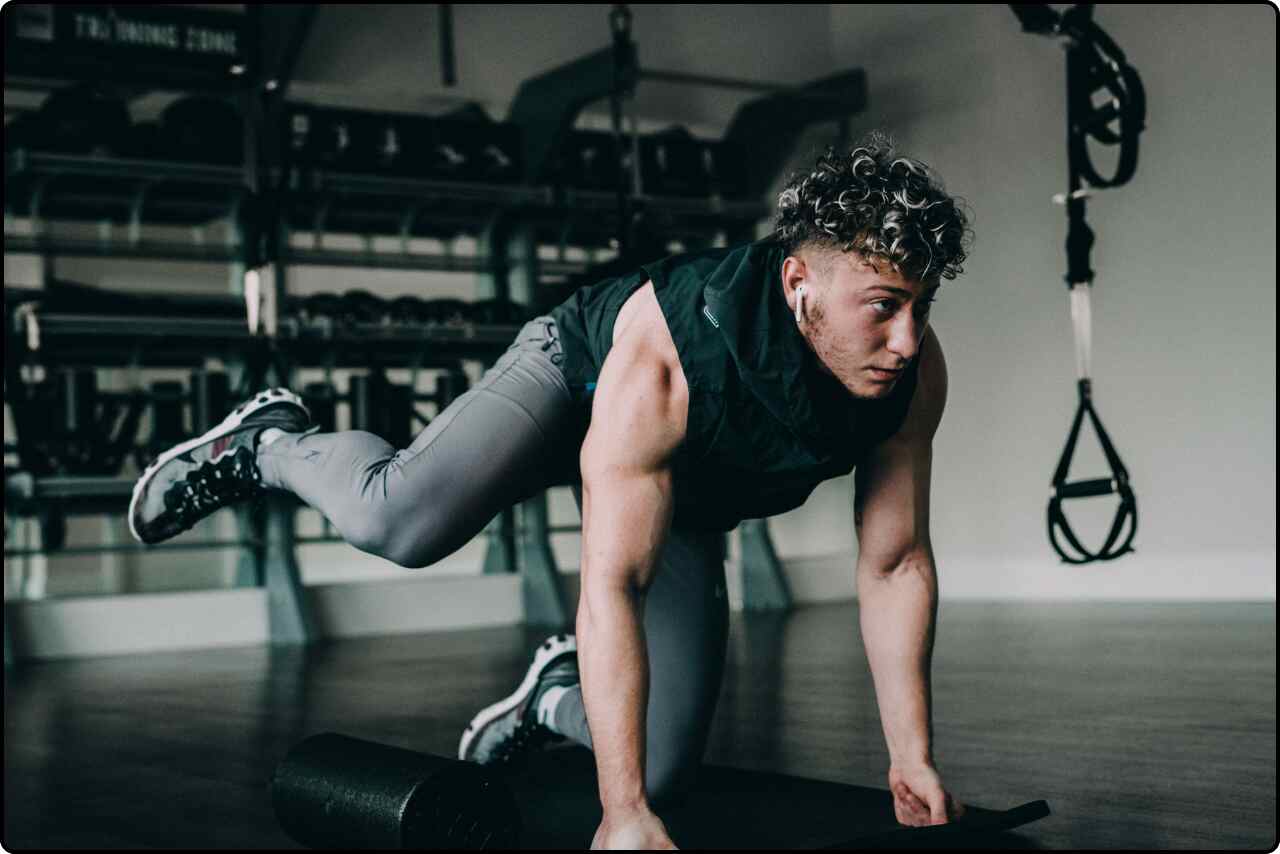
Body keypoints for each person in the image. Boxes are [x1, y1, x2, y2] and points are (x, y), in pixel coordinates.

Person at [129, 131, 972, 850]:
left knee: (666, 765)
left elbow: (894, 564)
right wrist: (620, 813)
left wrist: (911, 755)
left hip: (687, 481)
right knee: (393, 520)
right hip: (572, 384)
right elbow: (613, 582)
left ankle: (550, 697)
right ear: (800, 286)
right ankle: (271, 444)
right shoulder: (671, 355)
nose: (906, 337)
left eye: (922, 306)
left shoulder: (910, 374)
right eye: (884, 304)